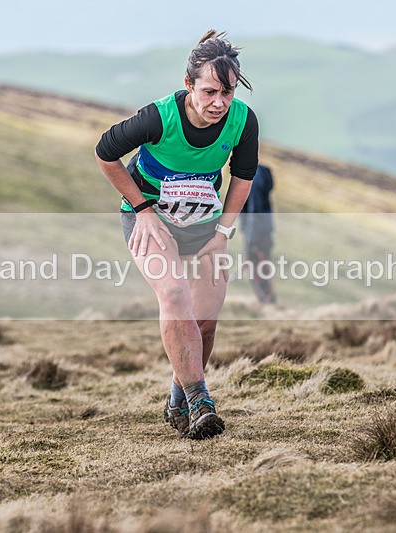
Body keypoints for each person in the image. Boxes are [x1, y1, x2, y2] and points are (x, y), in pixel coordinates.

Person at [95, 30, 259, 440]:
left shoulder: (242, 121)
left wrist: (223, 232)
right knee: (173, 295)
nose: (219, 102)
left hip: (205, 226)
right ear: (189, 85)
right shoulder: (159, 117)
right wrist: (143, 209)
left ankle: (177, 398)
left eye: (228, 92)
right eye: (209, 91)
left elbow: (243, 177)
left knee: (204, 322)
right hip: (151, 220)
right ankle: (200, 400)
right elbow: (105, 154)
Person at [240, 163, 276, 304]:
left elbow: (254, 210)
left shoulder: (251, 176)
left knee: (257, 268)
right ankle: (268, 300)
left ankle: (266, 301)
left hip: (256, 232)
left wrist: (251, 238)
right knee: (263, 266)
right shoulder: (262, 171)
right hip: (266, 228)